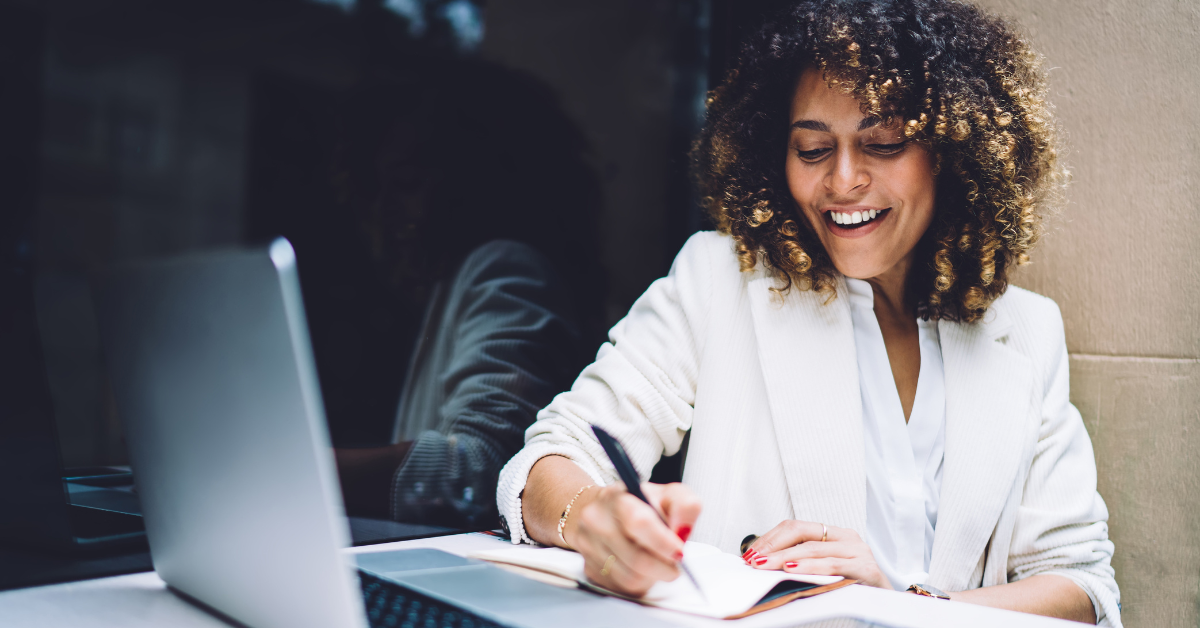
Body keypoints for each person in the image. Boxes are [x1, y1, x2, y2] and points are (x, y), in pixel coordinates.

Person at [495, 0, 1121, 625]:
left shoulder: (1026, 333)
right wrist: (589, 515)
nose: (843, 180)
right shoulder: (719, 281)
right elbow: (550, 458)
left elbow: (1082, 589)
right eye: (814, 149)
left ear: (952, 153)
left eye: (882, 143)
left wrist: (902, 608)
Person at [330, 54, 606, 528]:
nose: (386, 211)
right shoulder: (454, 287)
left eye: (408, 183)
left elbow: (479, 469)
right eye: (379, 188)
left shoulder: (505, 267)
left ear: (475, 180)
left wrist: (300, 470)